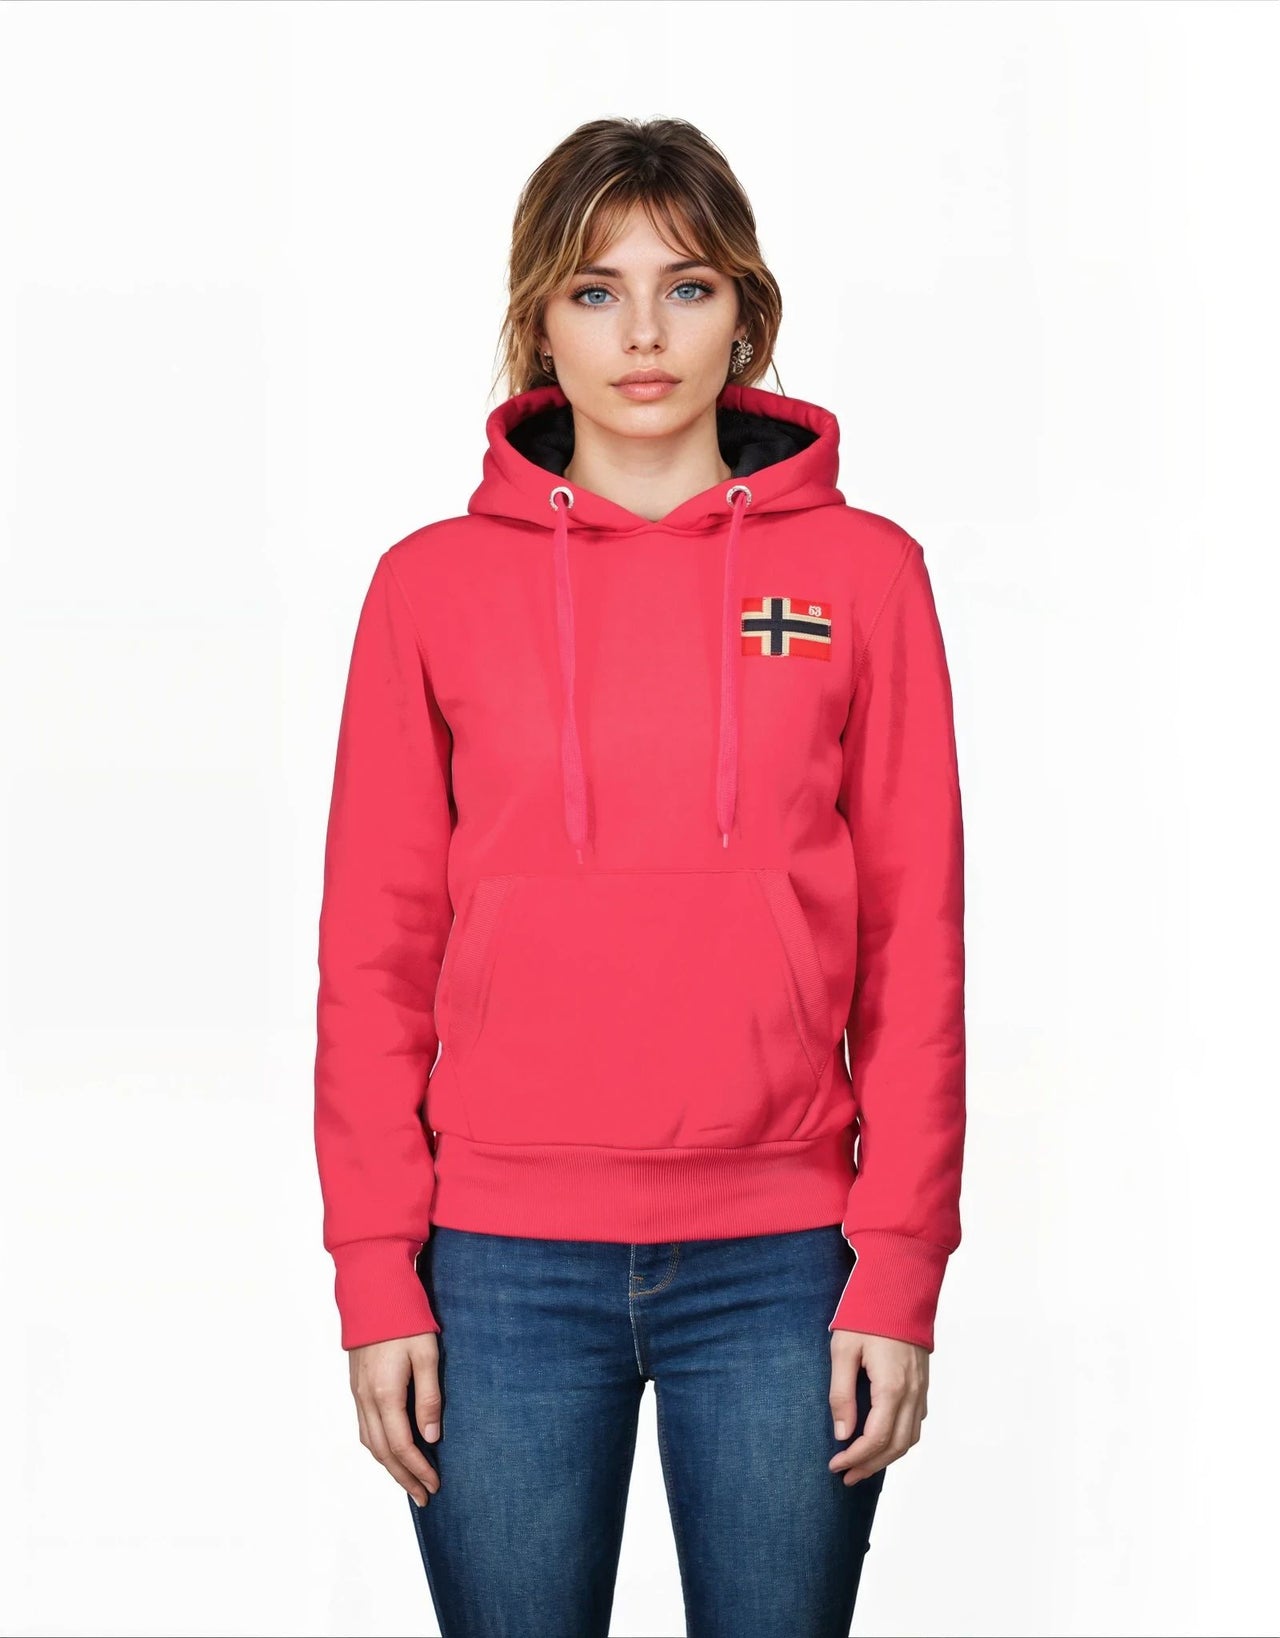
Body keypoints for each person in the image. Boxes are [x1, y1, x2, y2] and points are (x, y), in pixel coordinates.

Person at [312, 116, 966, 1638]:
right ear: (540, 321)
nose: (645, 334)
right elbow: (373, 957)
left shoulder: (863, 575)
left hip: (788, 1258)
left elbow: (916, 944)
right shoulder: (429, 587)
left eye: (687, 287)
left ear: (745, 311)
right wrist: (374, 1272)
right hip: (497, 1264)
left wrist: (898, 1264)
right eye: (596, 291)